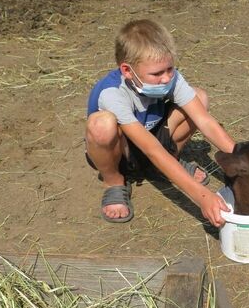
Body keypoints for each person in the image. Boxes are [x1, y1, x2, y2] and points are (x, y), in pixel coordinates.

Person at [85, 19, 234, 227]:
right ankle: (114, 182)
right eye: (157, 74)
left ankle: (166, 165)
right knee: (101, 125)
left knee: (199, 98)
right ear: (127, 71)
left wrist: (243, 158)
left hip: (155, 138)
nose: (166, 79)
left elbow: (204, 120)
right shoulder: (112, 93)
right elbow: (152, 149)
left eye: (170, 69)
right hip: (123, 152)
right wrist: (202, 196)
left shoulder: (170, 78)